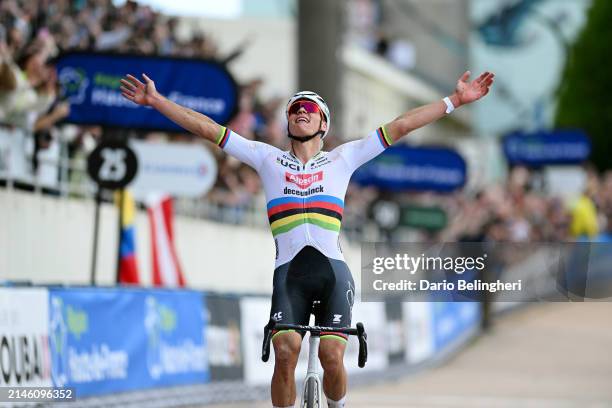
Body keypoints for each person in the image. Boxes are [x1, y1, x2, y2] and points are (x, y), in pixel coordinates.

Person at [120, 70, 495, 408]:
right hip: (290, 274)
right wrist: (157, 101)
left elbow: (401, 125)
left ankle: (338, 405)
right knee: (286, 351)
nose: (301, 111)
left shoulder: (343, 159)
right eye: (295, 107)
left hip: (333, 272)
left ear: (323, 123)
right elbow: (206, 128)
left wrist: (454, 101)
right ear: (287, 121)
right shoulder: (265, 158)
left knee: (332, 357)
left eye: (310, 108)